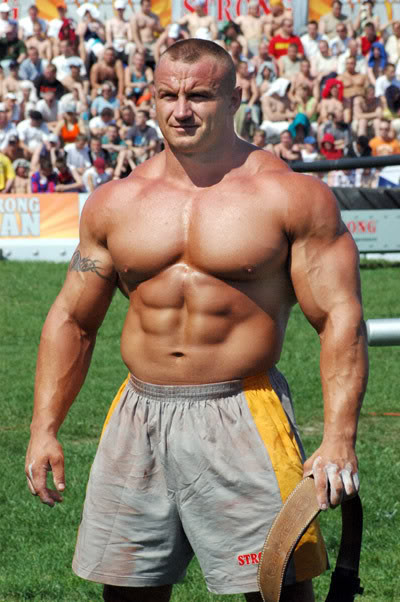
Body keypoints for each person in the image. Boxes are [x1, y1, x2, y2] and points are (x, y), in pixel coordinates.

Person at [25, 39, 367, 602]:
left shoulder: (290, 196)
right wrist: (45, 427)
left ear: (235, 98)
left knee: (274, 589)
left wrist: (339, 439)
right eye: (168, 96)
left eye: (200, 96)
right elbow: (73, 319)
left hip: (241, 411)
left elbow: (339, 318)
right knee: (128, 591)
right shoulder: (115, 201)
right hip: (138, 413)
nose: (181, 111)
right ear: (152, 99)